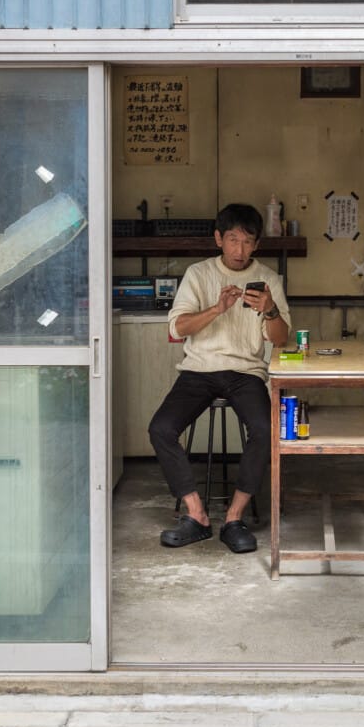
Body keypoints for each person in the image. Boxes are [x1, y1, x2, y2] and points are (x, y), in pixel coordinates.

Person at [148, 203, 291, 553]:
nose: (239, 250)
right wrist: (216, 309)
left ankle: (234, 517)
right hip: (198, 370)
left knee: (265, 429)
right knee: (160, 428)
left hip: (245, 373)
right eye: (232, 240)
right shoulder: (198, 274)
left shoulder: (269, 279)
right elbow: (178, 327)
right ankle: (196, 515)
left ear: (257, 245)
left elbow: (281, 338)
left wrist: (269, 308)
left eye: (247, 242)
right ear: (218, 239)